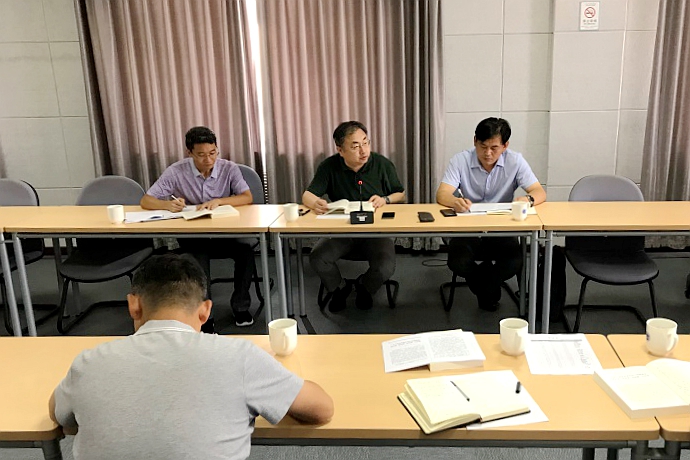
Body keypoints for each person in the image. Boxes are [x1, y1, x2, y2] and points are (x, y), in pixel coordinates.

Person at [49, 254, 333, 460]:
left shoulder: (88, 363)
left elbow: (58, 413)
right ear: (205, 311)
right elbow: (322, 409)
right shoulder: (239, 357)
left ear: (133, 305)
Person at [141, 126, 255, 329]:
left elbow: (247, 197)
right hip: (193, 235)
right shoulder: (176, 171)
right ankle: (204, 316)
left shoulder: (228, 168)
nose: (208, 160)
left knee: (246, 252)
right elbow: (146, 200)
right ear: (190, 153)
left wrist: (220, 201)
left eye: (213, 153)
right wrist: (167, 205)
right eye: (201, 155)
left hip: (225, 234)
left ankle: (241, 306)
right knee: (197, 259)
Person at [436, 117, 546, 311]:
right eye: (483, 146)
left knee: (514, 262)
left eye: (494, 148)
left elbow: (539, 192)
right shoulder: (460, 160)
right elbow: (442, 193)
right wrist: (454, 202)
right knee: (457, 262)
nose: (488, 153)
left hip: (501, 228)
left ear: (505, 146)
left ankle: (485, 286)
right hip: (468, 228)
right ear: (475, 141)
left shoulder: (515, 161)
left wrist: (527, 199)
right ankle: (489, 288)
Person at [302, 121, 405, 312]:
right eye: (355, 146)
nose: (363, 151)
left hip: (375, 232)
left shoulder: (382, 164)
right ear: (340, 150)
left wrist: (385, 199)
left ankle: (364, 287)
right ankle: (339, 288)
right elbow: (308, 195)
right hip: (342, 232)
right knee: (318, 258)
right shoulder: (329, 166)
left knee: (385, 266)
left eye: (366, 142)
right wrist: (315, 202)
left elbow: (400, 193)